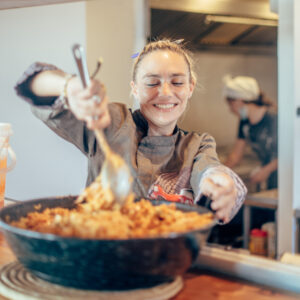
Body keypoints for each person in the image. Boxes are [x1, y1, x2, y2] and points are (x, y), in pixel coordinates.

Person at [15, 39, 247, 224]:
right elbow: (34, 85)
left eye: (176, 82)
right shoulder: (112, 122)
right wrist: (70, 86)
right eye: (152, 82)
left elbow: (211, 170)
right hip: (100, 251)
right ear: (134, 88)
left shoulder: (198, 144)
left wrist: (222, 184)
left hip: (168, 261)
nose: (165, 92)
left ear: (190, 88)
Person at [223, 75, 278, 190]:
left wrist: (266, 170)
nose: (230, 110)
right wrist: (219, 172)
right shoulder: (245, 122)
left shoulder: (274, 118)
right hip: (269, 174)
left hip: (288, 174)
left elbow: (290, 153)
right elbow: (236, 156)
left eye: (231, 104)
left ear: (240, 100)